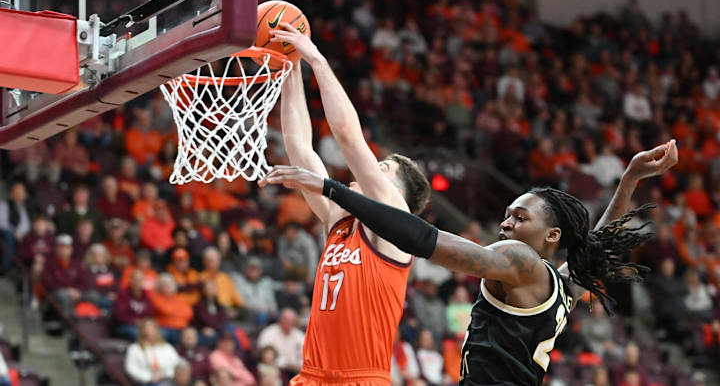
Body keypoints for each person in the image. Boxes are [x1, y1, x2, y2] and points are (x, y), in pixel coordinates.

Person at [259, 139, 678, 385]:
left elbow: (420, 236)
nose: (506, 221)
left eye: (520, 217)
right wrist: (629, 181)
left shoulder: (519, 261)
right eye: (507, 213)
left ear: (553, 236)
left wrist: (333, 189)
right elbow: (599, 248)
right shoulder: (558, 284)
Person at [268, 22, 431, 386]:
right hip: (311, 376)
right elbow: (298, 146)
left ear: (398, 195)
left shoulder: (393, 222)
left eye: (383, 167)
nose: (372, 168)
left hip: (361, 379)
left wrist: (317, 60)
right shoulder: (339, 220)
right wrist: (289, 65)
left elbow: (346, 135)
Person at [125, 318, 181, 386]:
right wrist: (149, 377)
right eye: (147, 327)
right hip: (144, 382)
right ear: (142, 330)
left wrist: (166, 374)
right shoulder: (134, 348)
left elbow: (177, 364)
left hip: (167, 379)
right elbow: (131, 368)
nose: (150, 330)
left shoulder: (167, 347)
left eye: (152, 327)